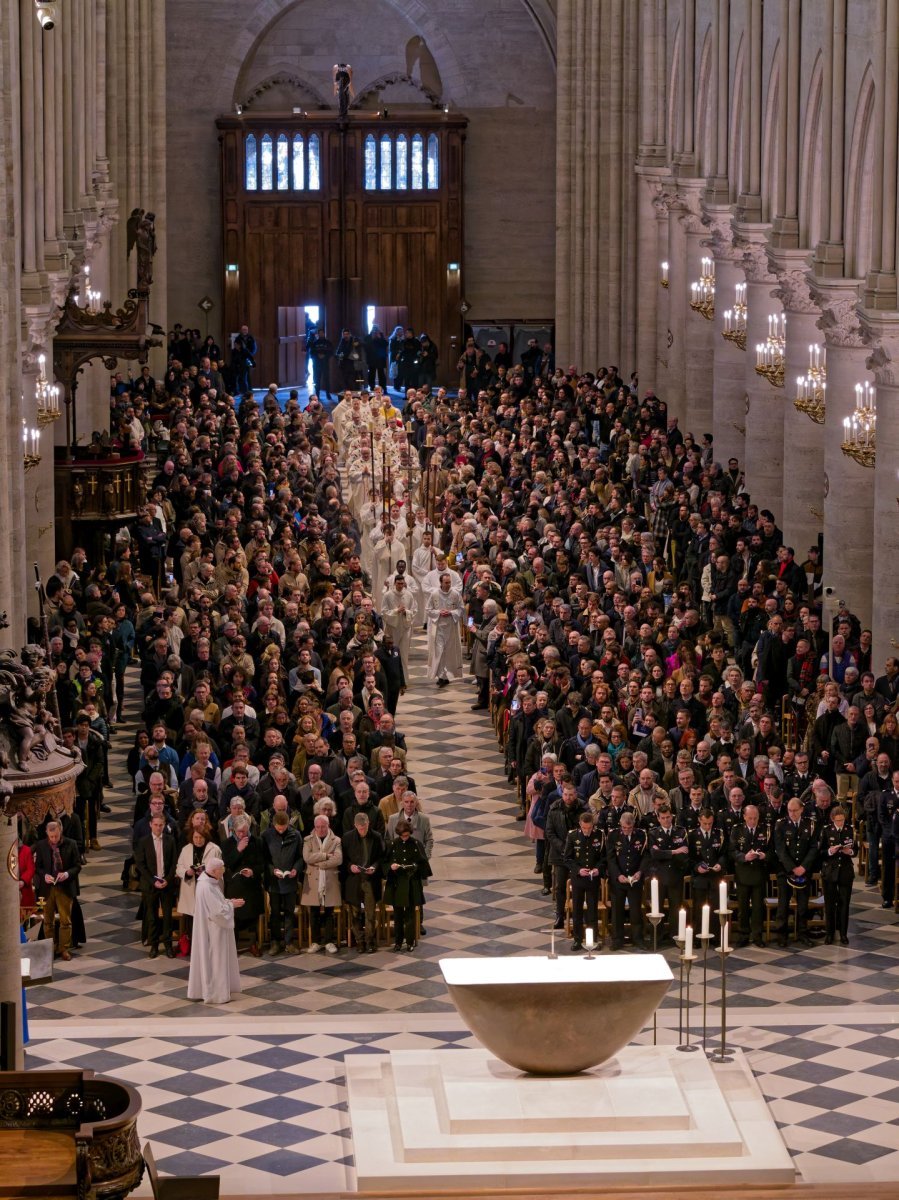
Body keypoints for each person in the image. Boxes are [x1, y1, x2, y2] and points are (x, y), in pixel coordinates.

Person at [187, 856, 244, 1004]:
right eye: (221, 869)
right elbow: (217, 912)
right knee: (215, 959)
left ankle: (217, 990)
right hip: (213, 931)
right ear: (213, 870)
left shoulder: (209, 882)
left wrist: (229, 902)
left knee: (214, 959)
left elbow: (216, 904)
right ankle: (216, 993)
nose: (224, 871)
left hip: (213, 929)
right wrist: (232, 906)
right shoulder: (206, 886)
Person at [34, 821, 81, 961]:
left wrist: (66, 874)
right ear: (47, 834)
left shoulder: (71, 844)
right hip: (47, 888)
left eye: (56, 836)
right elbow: (38, 867)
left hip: (64, 887)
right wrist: (45, 876)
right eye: (51, 836)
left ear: (60, 831)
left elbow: (77, 866)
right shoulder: (41, 845)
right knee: (48, 921)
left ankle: (64, 948)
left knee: (65, 920)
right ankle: (50, 948)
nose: (54, 839)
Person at [773, 798, 817, 948]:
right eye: (790, 811)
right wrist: (793, 868)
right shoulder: (780, 825)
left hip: (804, 871)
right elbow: (780, 849)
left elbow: (813, 848)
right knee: (783, 904)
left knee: (803, 905)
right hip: (785, 871)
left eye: (795, 810)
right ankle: (781, 935)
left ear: (801, 809)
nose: (792, 813)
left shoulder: (810, 824)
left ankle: (803, 933)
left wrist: (803, 867)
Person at [134, 812, 178, 957]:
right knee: (152, 916)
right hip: (150, 885)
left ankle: (168, 945)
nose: (158, 828)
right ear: (150, 825)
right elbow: (140, 865)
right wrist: (154, 881)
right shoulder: (143, 841)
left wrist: (168, 879)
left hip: (167, 884)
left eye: (161, 825)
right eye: (155, 825)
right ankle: (154, 945)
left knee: (167, 917)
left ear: (164, 825)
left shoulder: (170, 840)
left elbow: (173, 863)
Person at [384, 817, 431, 952]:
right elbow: (385, 863)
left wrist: (415, 866)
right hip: (397, 884)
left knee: (410, 915)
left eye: (407, 835)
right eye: (402, 836)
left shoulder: (416, 844)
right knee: (398, 915)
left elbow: (423, 864)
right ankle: (398, 942)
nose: (405, 838)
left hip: (411, 884)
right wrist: (390, 866)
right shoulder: (393, 844)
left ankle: (410, 941)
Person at [262, 811, 303, 955]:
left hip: (290, 880)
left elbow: (300, 857)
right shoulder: (267, 835)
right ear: (273, 825)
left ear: (288, 824)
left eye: (283, 827)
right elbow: (264, 859)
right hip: (274, 882)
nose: (281, 830)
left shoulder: (296, 835)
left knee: (289, 912)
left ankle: (289, 942)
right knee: (274, 913)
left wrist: (295, 870)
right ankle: (275, 942)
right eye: (278, 828)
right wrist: (272, 870)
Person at [606, 811, 648, 951]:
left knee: (636, 911)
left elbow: (645, 856)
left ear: (633, 825)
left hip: (634, 880)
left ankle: (638, 938)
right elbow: (610, 858)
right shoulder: (613, 835)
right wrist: (617, 875)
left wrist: (640, 871)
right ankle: (617, 939)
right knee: (617, 911)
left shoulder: (641, 835)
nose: (626, 830)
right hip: (618, 880)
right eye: (624, 828)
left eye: (629, 828)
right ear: (620, 825)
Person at [342, 812, 384, 953]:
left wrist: (374, 867)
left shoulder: (376, 837)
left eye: (364, 827)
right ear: (355, 825)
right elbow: (343, 860)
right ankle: (359, 941)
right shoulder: (347, 838)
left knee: (370, 914)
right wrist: (350, 867)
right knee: (355, 913)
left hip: (370, 880)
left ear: (368, 824)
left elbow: (381, 858)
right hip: (354, 881)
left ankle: (370, 940)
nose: (362, 830)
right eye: (360, 827)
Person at [563, 810, 605, 951]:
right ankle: (577, 939)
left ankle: (592, 939)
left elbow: (603, 857)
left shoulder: (600, 835)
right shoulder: (573, 836)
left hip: (593, 879)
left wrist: (598, 869)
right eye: (584, 828)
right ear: (580, 825)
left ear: (593, 825)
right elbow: (567, 858)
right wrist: (578, 870)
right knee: (577, 910)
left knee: (592, 911)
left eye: (589, 828)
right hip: (578, 880)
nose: (587, 831)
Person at [301, 813, 343, 953]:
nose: (320, 830)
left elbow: (338, 859)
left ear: (328, 826)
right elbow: (307, 857)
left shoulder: (336, 840)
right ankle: (315, 941)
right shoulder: (308, 840)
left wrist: (319, 864)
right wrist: (325, 856)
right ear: (314, 827)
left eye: (323, 827)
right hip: (313, 880)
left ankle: (329, 941)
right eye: (317, 827)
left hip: (330, 879)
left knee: (329, 912)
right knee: (314, 912)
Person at [730, 804, 769, 948]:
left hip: (759, 873)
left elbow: (772, 850)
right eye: (750, 818)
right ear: (744, 816)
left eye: (755, 818)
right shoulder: (737, 830)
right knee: (743, 907)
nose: (753, 821)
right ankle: (743, 935)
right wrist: (744, 857)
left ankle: (757, 935)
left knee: (758, 907)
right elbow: (732, 851)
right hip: (743, 874)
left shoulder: (766, 829)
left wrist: (765, 855)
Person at [819, 806, 857, 945]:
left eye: (842, 820)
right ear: (832, 819)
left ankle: (843, 934)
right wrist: (830, 851)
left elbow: (856, 850)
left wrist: (850, 852)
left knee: (844, 904)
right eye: (838, 820)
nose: (840, 823)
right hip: (830, 871)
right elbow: (821, 852)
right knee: (830, 904)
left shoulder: (849, 830)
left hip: (845, 872)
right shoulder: (826, 830)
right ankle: (829, 934)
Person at [425, 573, 463, 687]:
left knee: (449, 653)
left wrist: (451, 612)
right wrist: (438, 612)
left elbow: (461, 608)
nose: (448, 585)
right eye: (446, 582)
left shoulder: (455, 594)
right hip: (438, 628)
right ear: (441, 582)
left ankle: (445, 676)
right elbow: (428, 609)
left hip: (451, 627)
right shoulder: (435, 594)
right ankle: (441, 676)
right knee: (439, 652)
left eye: (449, 582)